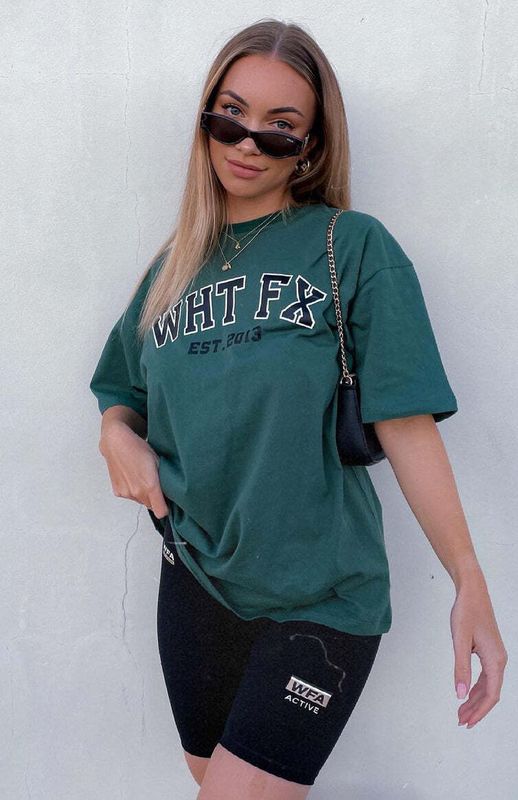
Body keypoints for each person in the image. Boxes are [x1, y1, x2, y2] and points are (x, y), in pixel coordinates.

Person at [89, 18, 507, 800]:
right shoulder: (171, 270)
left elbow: (405, 422)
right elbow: (121, 391)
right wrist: (117, 435)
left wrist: (469, 578)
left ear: (310, 146)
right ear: (206, 120)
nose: (248, 143)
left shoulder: (351, 247)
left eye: (279, 127)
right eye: (230, 116)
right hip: (194, 579)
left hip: (321, 592)